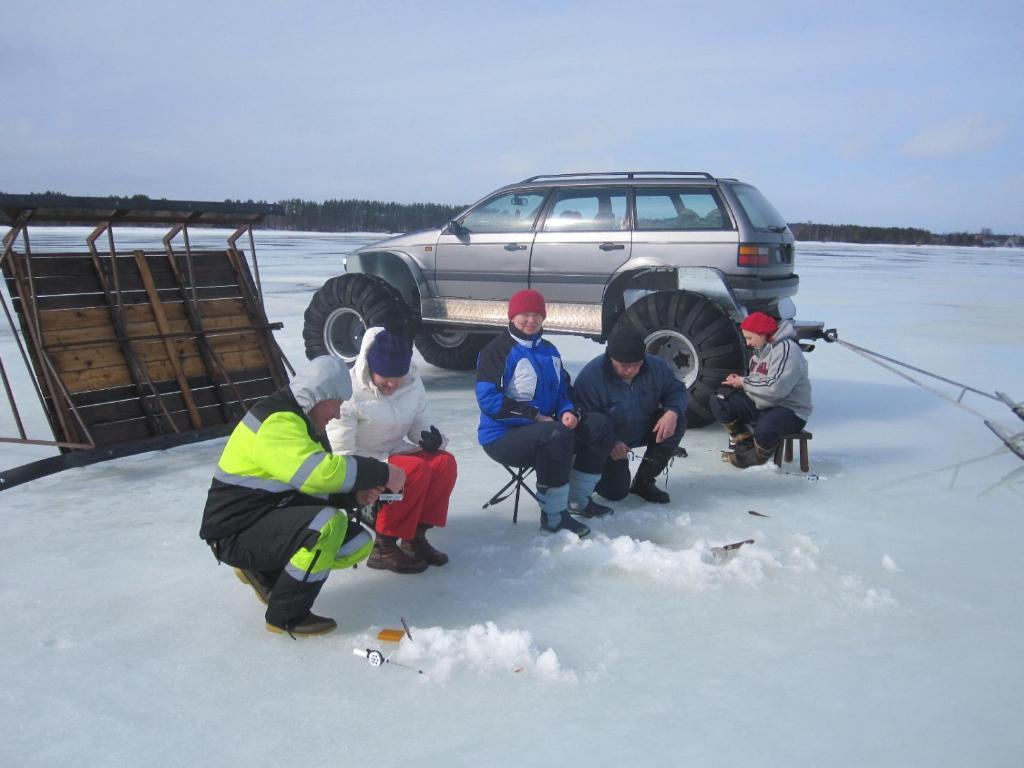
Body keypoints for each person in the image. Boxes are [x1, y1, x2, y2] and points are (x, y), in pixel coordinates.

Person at [199, 356, 405, 637]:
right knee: (326, 527)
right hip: (235, 531)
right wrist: (382, 473)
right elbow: (319, 474)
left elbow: (314, 487)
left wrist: (353, 497)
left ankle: (261, 571)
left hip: (265, 515)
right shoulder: (277, 423)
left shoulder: (304, 423)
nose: (336, 414)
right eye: (336, 404)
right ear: (321, 395)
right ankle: (286, 615)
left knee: (355, 543)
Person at [476, 289, 614, 538]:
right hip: (502, 436)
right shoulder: (495, 351)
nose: (531, 321)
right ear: (512, 316)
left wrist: (567, 411)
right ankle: (553, 517)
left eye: (537, 315)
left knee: (599, 425)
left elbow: (563, 389)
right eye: (524, 315)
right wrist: (534, 416)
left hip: (550, 429)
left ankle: (578, 500)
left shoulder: (549, 350)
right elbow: (489, 401)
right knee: (556, 435)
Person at [327, 327, 457, 574]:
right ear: (370, 367)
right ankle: (383, 545)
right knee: (415, 470)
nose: (392, 383)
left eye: (397, 376)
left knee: (443, 462)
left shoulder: (412, 383)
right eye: (385, 376)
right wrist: (371, 473)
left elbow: (420, 423)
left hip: (396, 451)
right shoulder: (349, 391)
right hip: (362, 459)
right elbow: (341, 451)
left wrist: (431, 439)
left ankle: (414, 537)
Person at [574, 325, 688, 504]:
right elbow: (584, 421)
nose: (632, 371)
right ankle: (587, 475)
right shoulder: (591, 378)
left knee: (678, 419)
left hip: (642, 428)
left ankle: (644, 481)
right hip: (607, 441)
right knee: (616, 492)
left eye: (637, 365)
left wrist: (672, 412)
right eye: (624, 366)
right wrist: (609, 443)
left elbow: (677, 390)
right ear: (611, 358)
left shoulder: (655, 366)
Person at [712, 312, 813, 468]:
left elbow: (776, 388)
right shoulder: (760, 351)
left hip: (789, 410)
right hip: (763, 405)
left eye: (749, 338)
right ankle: (744, 442)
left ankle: (754, 457)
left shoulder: (787, 350)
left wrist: (743, 382)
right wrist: (737, 382)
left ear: (763, 334)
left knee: (765, 428)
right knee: (721, 398)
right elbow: (759, 380)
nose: (748, 343)